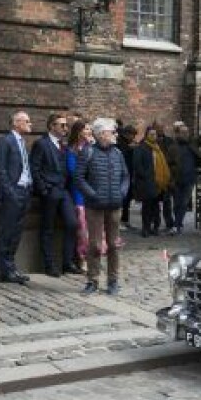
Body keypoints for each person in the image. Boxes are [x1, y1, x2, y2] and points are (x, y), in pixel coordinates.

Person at [74, 118, 129, 295]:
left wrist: (121, 193)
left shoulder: (118, 153)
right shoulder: (88, 152)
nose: (115, 135)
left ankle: (113, 281)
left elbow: (125, 176)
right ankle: (92, 280)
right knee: (95, 245)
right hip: (95, 207)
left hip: (114, 205)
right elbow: (79, 178)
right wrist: (93, 195)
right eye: (112, 132)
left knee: (114, 245)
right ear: (101, 134)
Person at [29, 113, 79, 277]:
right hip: (49, 191)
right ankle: (49, 264)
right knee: (48, 228)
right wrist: (43, 189)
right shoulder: (41, 144)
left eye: (66, 125)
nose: (66, 128)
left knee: (72, 223)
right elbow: (34, 168)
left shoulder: (63, 145)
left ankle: (67, 262)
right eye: (62, 125)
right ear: (52, 126)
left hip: (63, 191)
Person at [0, 111, 34, 284]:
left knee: (17, 232)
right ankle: (6, 271)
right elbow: (1, 170)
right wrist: (10, 192)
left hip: (24, 192)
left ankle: (12, 268)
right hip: (13, 193)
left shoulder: (22, 142)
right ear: (16, 123)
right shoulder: (6, 141)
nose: (30, 124)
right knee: (8, 232)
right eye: (27, 121)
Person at [65, 120, 101, 273]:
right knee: (82, 230)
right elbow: (73, 172)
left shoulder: (92, 148)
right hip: (79, 193)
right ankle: (82, 258)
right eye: (86, 129)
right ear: (79, 131)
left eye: (89, 130)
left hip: (92, 192)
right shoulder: (72, 150)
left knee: (95, 229)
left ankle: (94, 257)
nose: (88, 132)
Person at [166, 123, 201, 233]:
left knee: (184, 203)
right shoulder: (173, 147)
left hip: (189, 179)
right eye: (183, 132)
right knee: (177, 203)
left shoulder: (192, 144)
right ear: (178, 134)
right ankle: (178, 223)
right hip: (176, 180)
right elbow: (168, 165)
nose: (186, 134)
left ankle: (177, 225)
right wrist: (170, 179)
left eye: (187, 132)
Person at [132, 126, 171, 236]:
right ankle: (146, 228)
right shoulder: (141, 148)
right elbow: (137, 165)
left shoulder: (158, 148)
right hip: (146, 182)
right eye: (151, 134)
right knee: (147, 207)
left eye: (155, 134)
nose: (154, 136)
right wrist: (145, 176)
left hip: (158, 183)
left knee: (156, 207)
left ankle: (155, 227)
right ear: (146, 135)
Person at [117, 123, 138, 230]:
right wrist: (130, 149)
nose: (133, 138)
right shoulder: (120, 143)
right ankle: (120, 221)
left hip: (129, 174)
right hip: (122, 175)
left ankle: (125, 220)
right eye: (132, 135)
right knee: (123, 199)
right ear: (127, 134)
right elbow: (122, 155)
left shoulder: (129, 143)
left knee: (128, 199)